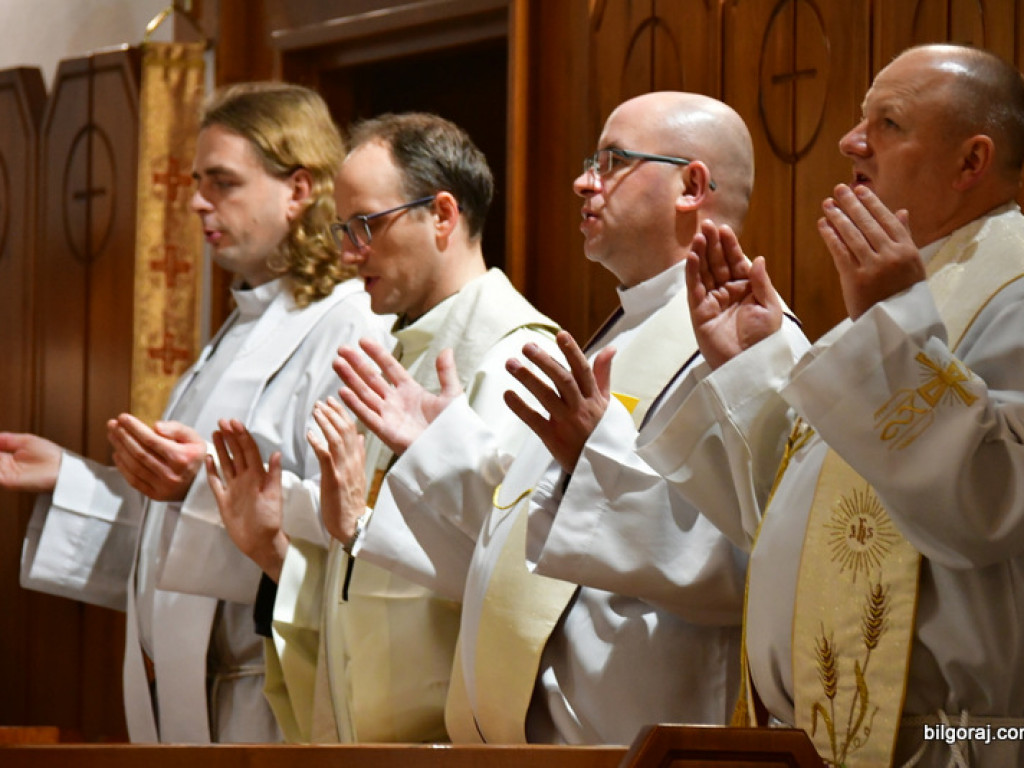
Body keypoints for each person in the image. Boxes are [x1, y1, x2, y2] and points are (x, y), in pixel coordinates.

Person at [335, 91, 765, 743]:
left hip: (642, 737)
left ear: (692, 185)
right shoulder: (618, 334)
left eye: (612, 161)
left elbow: (747, 561)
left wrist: (598, 456)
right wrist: (439, 449)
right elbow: (519, 554)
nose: (583, 181)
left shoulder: (750, 346)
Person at [638, 44, 1024, 766]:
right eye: (859, 119)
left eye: (889, 123)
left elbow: (989, 502)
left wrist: (892, 332)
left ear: (972, 162)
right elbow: (803, 523)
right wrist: (753, 363)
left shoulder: (1013, 290)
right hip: (804, 742)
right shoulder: (900, 296)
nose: (851, 142)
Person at [0, 82, 392, 743]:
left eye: (223, 182)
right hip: (200, 689)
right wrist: (69, 477)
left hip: (268, 691)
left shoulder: (348, 327)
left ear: (298, 191)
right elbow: (172, 533)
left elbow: (340, 526)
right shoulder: (235, 333)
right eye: (194, 181)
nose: (196, 202)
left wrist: (197, 483)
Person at [207, 112, 560, 743]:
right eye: (343, 229)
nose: (348, 251)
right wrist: (275, 550)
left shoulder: (516, 358)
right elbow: (363, 581)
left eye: (366, 225)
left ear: (443, 216)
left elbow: (522, 581)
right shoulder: (399, 355)